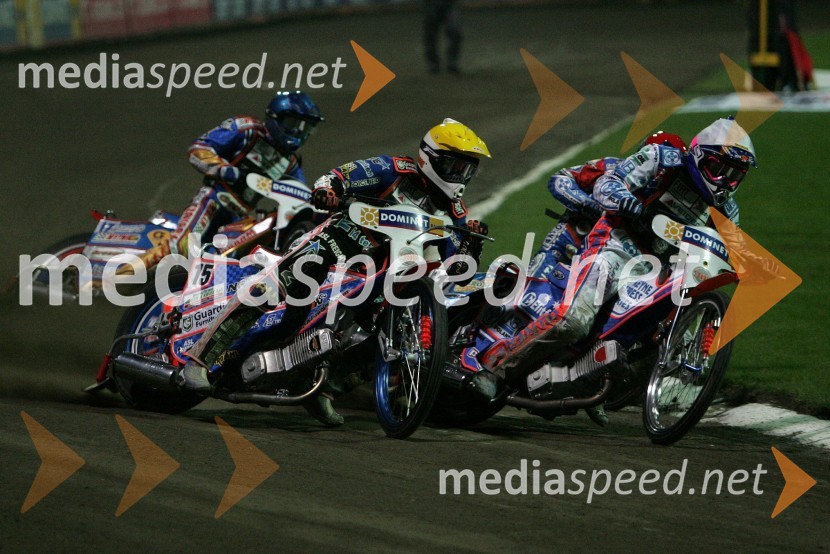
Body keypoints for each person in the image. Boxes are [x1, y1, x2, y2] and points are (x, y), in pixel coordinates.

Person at [179, 118, 492, 426]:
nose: (461, 176)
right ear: (431, 158)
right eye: (456, 166)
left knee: (382, 334)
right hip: (336, 243)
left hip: (381, 274)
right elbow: (339, 176)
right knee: (274, 290)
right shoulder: (395, 170)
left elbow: (456, 268)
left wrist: (471, 246)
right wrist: (329, 190)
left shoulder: (455, 213)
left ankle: (323, 390)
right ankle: (198, 359)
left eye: (467, 169)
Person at [475, 118, 757, 395]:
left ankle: (590, 381)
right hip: (615, 245)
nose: (724, 181)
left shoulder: (729, 211)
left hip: (659, 273)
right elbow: (608, 183)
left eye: (734, 175)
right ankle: (497, 367)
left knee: (657, 343)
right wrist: (626, 202)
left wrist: (747, 269)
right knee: (573, 322)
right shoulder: (662, 158)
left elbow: (734, 250)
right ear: (697, 155)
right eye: (718, 168)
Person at [174, 90, 324, 255]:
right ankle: (143, 270)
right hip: (212, 201)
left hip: (239, 217)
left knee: (225, 258)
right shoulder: (247, 129)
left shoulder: (292, 163)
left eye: (306, 127)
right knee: (182, 246)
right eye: (293, 123)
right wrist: (221, 168)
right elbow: (199, 148)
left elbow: (300, 195)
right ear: (276, 117)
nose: (298, 132)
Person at [423, 0, 462, 74]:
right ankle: (433, 64)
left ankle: (451, 63)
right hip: (432, 4)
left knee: (454, 32)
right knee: (431, 35)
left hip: (449, 4)